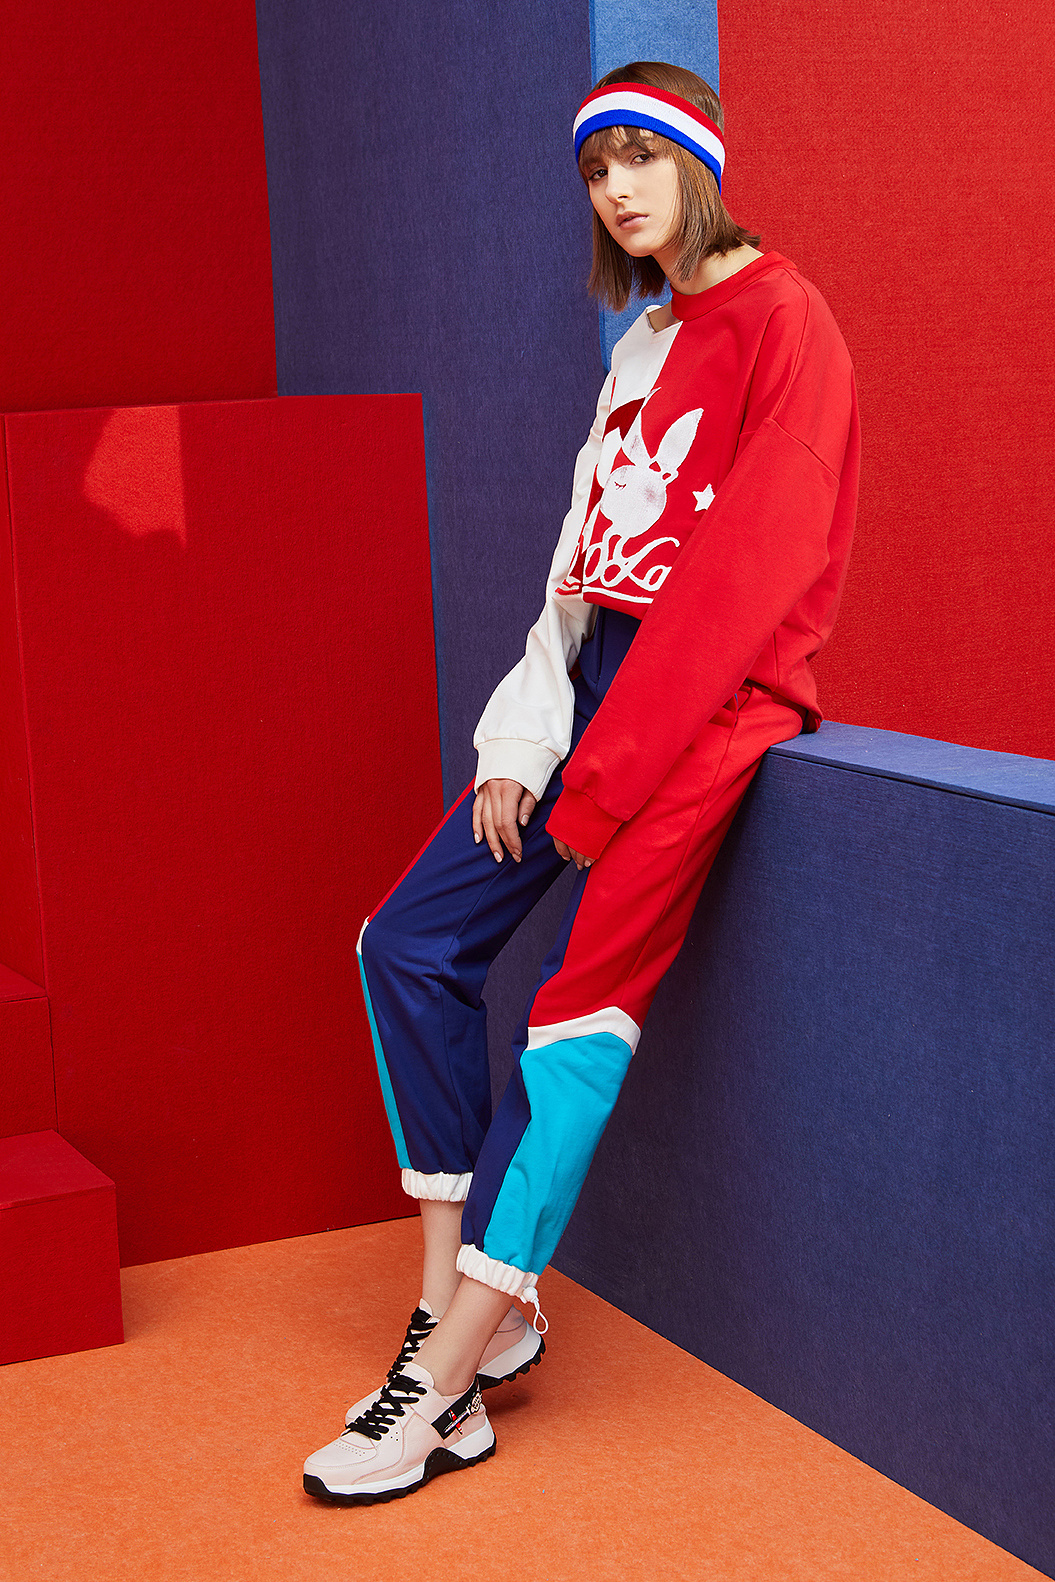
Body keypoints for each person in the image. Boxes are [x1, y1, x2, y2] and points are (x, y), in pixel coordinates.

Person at [303, 59, 860, 1506]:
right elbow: (577, 570)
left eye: (640, 158)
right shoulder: (642, 340)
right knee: (408, 942)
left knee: (570, 1028)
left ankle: (434, 1392)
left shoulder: (786, 321)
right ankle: (466, 1318)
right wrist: (523, 740)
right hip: (596, 690)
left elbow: (747, 579)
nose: (616, 190)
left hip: (708, 709)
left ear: (700, 164)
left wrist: (607, 781)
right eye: (595, 170)